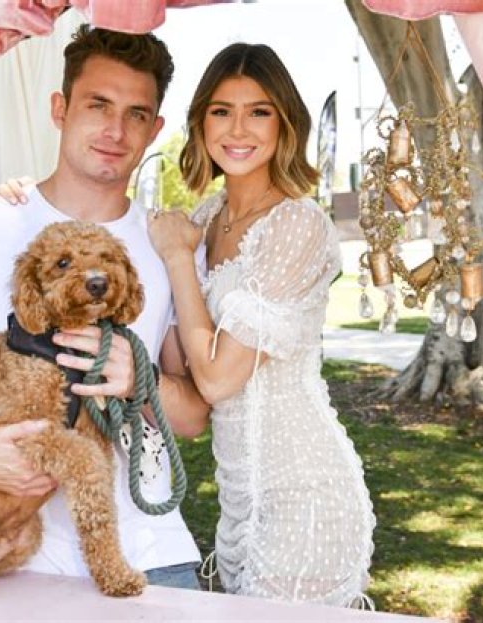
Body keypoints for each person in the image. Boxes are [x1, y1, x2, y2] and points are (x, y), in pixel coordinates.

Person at [0, 25, 209, 589]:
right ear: (60, 108)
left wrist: (141, 379)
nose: (115, 130)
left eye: (135, 114)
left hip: (150, 552)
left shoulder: (168, 245)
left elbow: (194, 417)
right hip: (8, 555)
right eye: (97, 105)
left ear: (155, 129)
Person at [144, 43, 375, 606]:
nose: (238, 129)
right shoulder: (204, 220)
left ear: (284, 123)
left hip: (306, 490)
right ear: (201, 123)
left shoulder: (297, 224)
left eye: (259, 111)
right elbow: (184, 372)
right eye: (222, 111)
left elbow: (218, 379)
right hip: (237, 501)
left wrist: (177, 259)